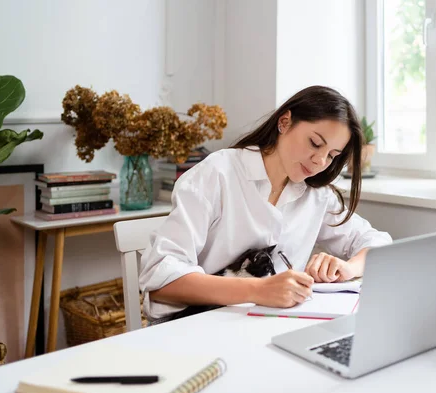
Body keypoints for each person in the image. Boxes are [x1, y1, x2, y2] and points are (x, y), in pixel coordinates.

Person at [139, 85, 393, 321]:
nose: (319, 161)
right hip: (201, 329)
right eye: (315, 143)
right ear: (285, 122)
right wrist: (258, 289)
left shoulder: (316, 195)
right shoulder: (217, 174)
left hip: (268, 329)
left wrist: (348, 268)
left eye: (331, 156)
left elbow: (378, 243)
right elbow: (160, 282)